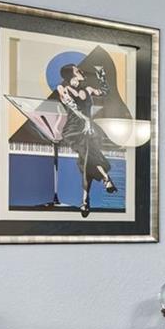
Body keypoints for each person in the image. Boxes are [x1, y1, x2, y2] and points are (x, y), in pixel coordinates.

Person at [55, 63, 118, 217]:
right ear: (70, 75)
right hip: (74, 130)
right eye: (77, 70)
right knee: (88, 157)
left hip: (89, 129)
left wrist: (101, 74)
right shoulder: (62, 88)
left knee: (87, 164)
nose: (82, 71)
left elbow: (105, 92)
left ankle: (85, 202)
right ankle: (106, 178)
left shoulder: (88, 89)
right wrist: (87, 120)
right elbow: (73, 107)